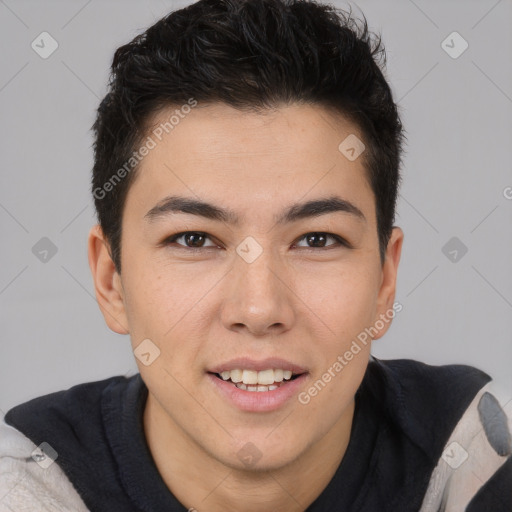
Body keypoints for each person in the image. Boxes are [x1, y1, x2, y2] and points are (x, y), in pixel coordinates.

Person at [1, 0, 510, 510]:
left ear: (384, 280)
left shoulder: (476, 459)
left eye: (317, 239)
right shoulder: (26, 482)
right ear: (112, 279)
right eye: (194, 239)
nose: (259, 308)